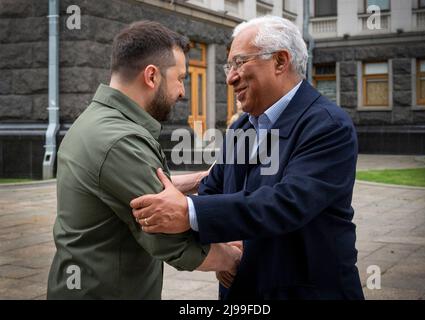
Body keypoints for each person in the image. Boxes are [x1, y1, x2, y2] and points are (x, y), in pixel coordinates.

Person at [131, 16, 364, 300]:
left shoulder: (327, 125)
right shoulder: (243, 126)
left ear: (280, 61)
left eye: (240, 63)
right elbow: (215, 188)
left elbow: (287, 203)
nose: (230, 77)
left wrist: (189, 212)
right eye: (229, 66)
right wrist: (222, 248)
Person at [47, 21, 241, 300]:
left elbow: (133, 189)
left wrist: (201, 180)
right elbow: (171, 240)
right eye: (180, 78)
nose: (182, 92)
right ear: (152, 76)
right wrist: (233, 259)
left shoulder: (98, 121)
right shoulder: (120, 141)